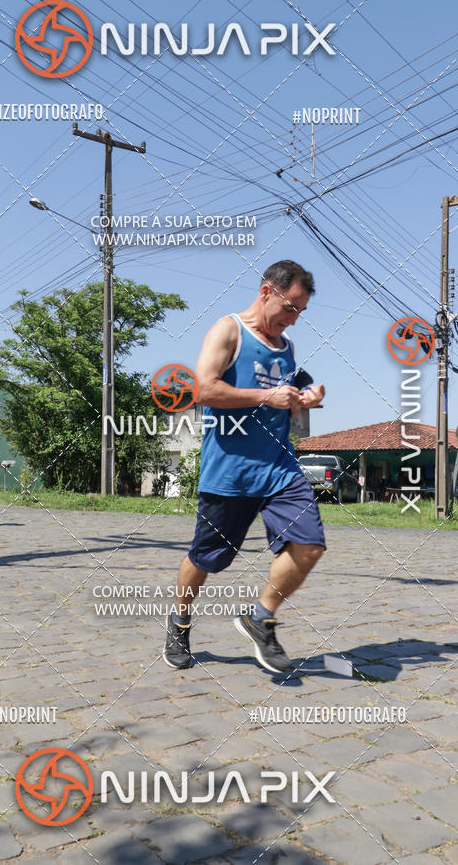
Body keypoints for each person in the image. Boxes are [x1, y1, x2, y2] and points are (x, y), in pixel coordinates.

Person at [163, 260, 326, 673]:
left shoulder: (286, 347)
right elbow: (203, 389)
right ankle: (180, 621)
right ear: (267, 291)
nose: (292, 319)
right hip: (231, 472)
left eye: (300, 312)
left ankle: (260, 617)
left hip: (279, 467)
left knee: (309, 544)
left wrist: (305, 395)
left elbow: (286, 387)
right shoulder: (228, 329)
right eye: (290, 307)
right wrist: (264, 397)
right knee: (205, 560)